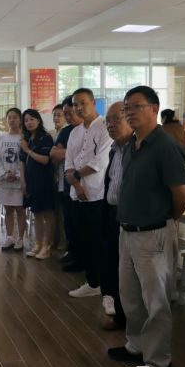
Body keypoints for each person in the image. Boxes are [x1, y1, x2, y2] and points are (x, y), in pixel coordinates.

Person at [107, 85, 185, 367]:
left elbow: (181, 195)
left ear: (154, 109)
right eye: (126, 107)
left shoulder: (165, 146)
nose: (130, 112)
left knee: (156, 302)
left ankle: (159, 363)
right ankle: (136, 346)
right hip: (127, 232)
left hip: (153, 233)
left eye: (136, 106)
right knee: (130, 297)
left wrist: (164, 221)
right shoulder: (132, 144)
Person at [64, 88, 111, 294]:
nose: (79, 107)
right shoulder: (74, 132)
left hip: (97, 194)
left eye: (83, 103)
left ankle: (99, 284)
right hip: (76, 193)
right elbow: (68, 161)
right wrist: (76, 184)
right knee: (82, 239)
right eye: (75, 104)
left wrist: (75, 176)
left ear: (93, 103)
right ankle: (91, 282)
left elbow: (100, 161)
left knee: (97, 242)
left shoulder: (105, 127)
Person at [100, 102, 130, 330]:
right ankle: (120, 316)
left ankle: (131, 322)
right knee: (115, 266)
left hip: (131, 217)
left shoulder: (138, 149)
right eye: (107, 121)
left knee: (129, 272)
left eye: (115, 120)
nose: (110, 125)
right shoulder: (114, 149)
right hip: (112, 214)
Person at [50, 97, 81, 268]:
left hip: (83, 185)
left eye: (70, 113)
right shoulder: (66, 131)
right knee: (68, 219)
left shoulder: (90, 129)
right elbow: (54, 154)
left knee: (80, 221)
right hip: (65, 183)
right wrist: (73, 153)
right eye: (65, 114)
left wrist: (66, 153)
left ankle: (82, 256)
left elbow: (86, 156)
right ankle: (72, 251)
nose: (67, 117)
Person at [20, 109, 55, 258]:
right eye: (26, 120)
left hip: (44, 181)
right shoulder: (26, 139)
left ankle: (47, 246)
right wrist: (23, 181)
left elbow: (45, 160)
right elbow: (21, 162)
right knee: (36, 214)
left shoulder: (45, 138)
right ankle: (38, 244)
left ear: (39, 120)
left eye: (32, 119)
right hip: (31, 182)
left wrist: (28, 150)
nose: (29, 122)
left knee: (47, 214)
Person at [0, 107, 25, 250]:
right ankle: (10, 237)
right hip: (5, 179)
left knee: (20, 209)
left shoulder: (24, 137)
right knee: (8, 209)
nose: (12, 120)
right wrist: (5, 173)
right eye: (9, 117)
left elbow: (25, 159)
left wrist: (17, 174)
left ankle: (20, 239)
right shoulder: (1, 138)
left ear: (20, 120)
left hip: (19, 179)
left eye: (15, 117)